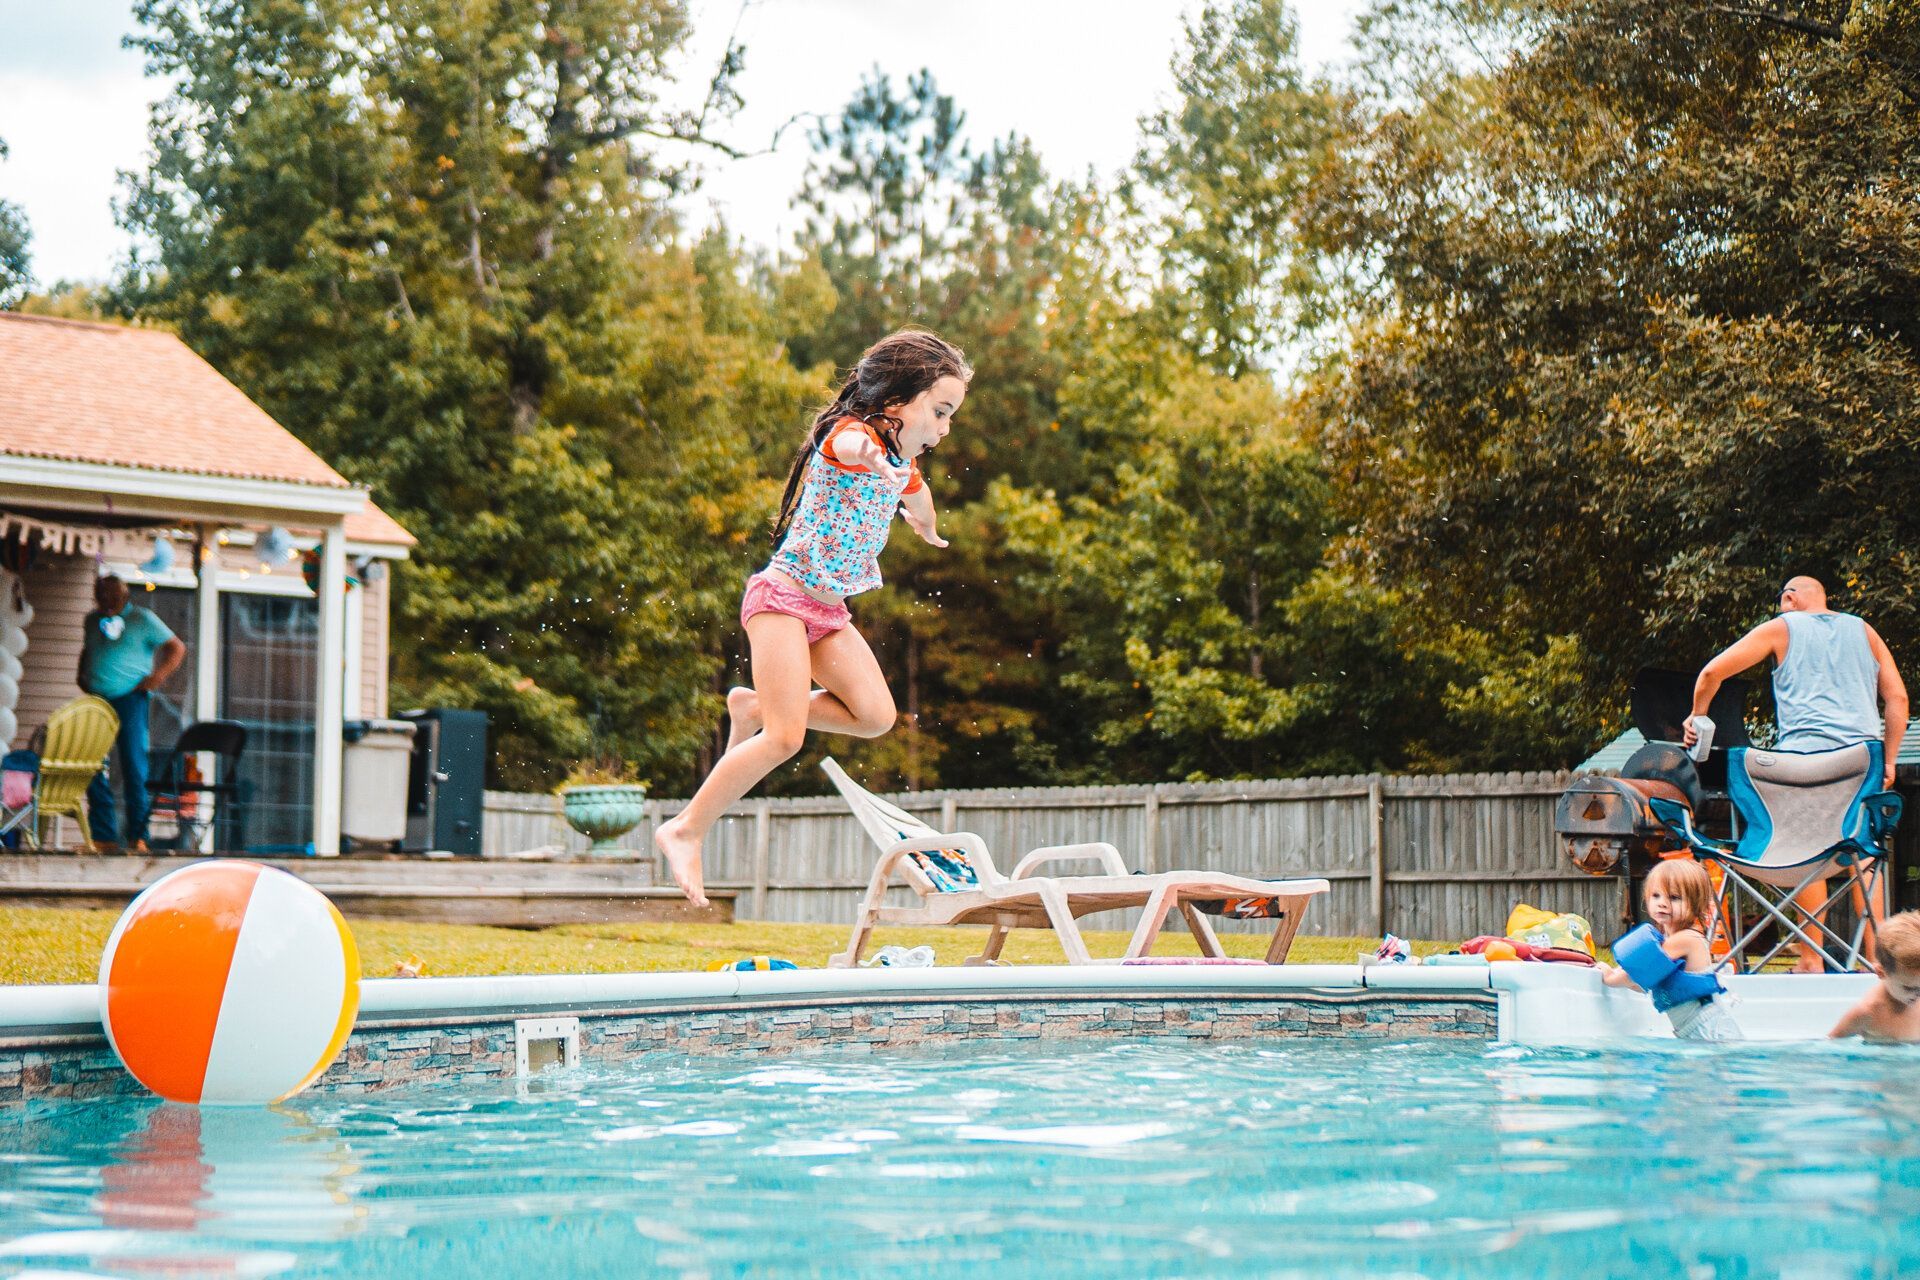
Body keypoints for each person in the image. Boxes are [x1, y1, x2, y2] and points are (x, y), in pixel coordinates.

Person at [654, 329, 971, 905]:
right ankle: (684, 828)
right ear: (898, 400)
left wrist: (925, 524)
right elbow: (850, 448)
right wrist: (872, 457)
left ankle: (749, 704)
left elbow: (917, 495)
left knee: (876, 716)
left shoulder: (902, 464)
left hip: (827, 614)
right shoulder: (848, 436)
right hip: (780, 602)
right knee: (784, 738)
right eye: (941, 411)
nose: (946, 427)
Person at [1684, 575, 1908, 971]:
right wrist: (1888, 759)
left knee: (1804, 845)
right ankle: (1878, 962)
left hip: (1799, 769)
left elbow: (1710, 675)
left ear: (1790, 598)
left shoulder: (1781, 627)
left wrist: (1697, 716)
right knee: (1864, 855)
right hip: (1860, 768)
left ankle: (1810, 959)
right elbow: (1897, 698)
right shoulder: (1865, 631)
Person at [80, 572, 187, 852]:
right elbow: (88, 649)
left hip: (130, 698)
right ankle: (103, 836)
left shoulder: (142, 618)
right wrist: (83, 674)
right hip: (97, 699)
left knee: (132, 765)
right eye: (101, 595)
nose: (107, 600)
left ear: (125, 596)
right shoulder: (92, 620)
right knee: (90, 764)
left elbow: (176, 648)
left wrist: (156, 678)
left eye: (113, 596)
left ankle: (138, 837)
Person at [1602, 857, 1743, 1040]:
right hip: (1696, 1031)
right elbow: (1650, 983)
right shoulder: (1670, 942)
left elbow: (1641, 970)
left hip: (1712, 1030)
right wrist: (1627, 981)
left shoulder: (1686, 939)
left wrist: (1611, 977)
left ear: (1696, 904)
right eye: (1656, 895)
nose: (1662, 903)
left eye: (1674, 897)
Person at [1828, 910, 1920, 1042]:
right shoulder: (1867, 1012)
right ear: (1881, 973)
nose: (1918, 995)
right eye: (1909, 988)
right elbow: (1832, 1043)